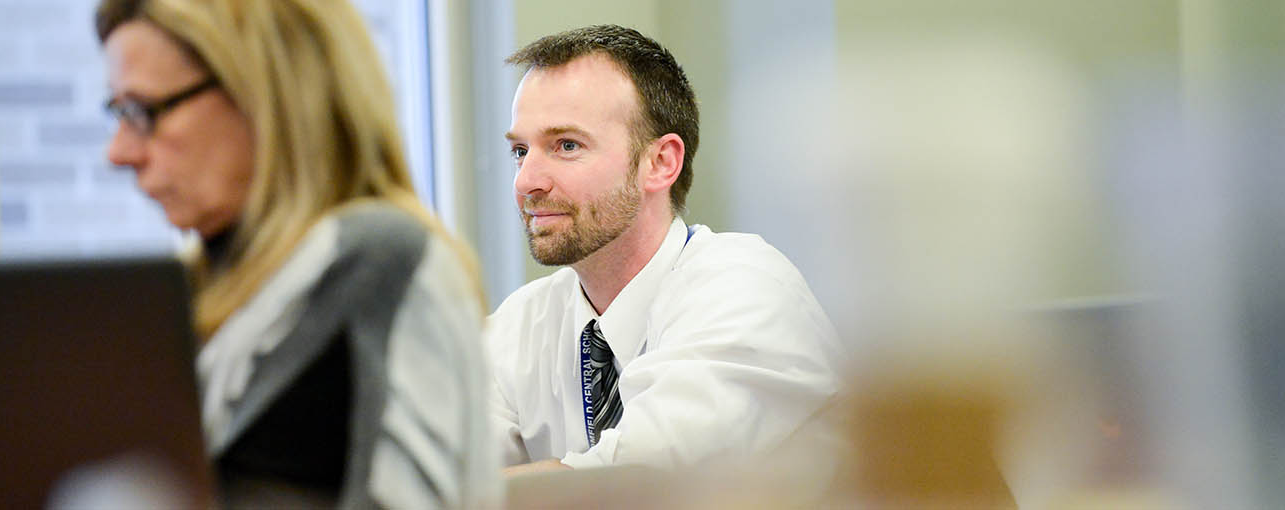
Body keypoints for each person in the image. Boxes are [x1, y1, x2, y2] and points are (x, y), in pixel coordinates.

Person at [96, 0, 499, 507]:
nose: (120, 152)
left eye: (143, 112)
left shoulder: (379, 262)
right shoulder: (196, 291)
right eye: (117, 112)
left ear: (265, 97)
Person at [488, 25, 843, 474]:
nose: (526, 182)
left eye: (567, 145)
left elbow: (634, 486)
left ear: (661, 163)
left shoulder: (747, 289)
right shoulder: (520, 327)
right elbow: (428, 473)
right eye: (521, 151)